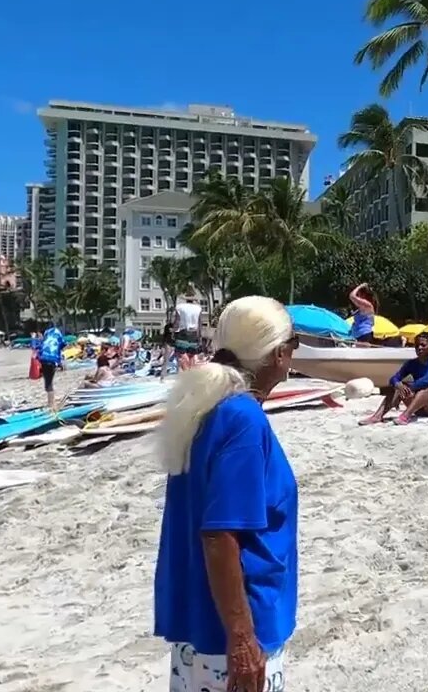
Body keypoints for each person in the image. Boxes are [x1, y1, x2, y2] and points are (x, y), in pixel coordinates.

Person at [153, 296, 300, 692]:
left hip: (199, 621)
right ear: (276, 354)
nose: (292, 354)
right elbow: (219, 534)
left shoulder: (203, 406)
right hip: (234, 632)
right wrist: (242, 641)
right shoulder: (242, 418)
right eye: (292, 344)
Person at [359, 331, 428, 425]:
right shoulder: (411, 363)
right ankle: (377, 416)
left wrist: (407, 389)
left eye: (423, 345)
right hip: (421, 408)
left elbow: (426, 381)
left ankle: (405, 416)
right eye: (417, 345)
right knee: (399, 386)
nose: (419, 348)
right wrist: (398, 385)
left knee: (427, 388)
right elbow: (394, 378)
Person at [37, 322, 65, 409]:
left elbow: (41, 345)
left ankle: (51, 405)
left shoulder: (46, 333)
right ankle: (51, 403)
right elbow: (63, 344)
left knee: (48, 383)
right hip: (53, 359)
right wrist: (59, 361)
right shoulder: (57, 332)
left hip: (44, 358)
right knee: (49, 382)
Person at [173, 298, 203, 372]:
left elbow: (177, 321)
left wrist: (173, 331)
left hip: (182, 333)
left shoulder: (179, 307)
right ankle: (191, 375)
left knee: (182, 355)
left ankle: (186, 374)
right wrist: (199, 336)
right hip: (194, 334)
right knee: (192, 356)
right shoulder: (198, 308)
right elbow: (200, 324)